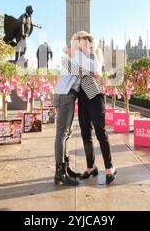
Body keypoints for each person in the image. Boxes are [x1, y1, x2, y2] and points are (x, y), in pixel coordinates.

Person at [52, 34, 101, 186]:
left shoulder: (73, 54)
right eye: (82, 41)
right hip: (65, 95)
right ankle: (60, 172)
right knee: (62, 134)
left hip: (67, 94)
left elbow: (83, 71)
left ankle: (65, 168)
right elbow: (95, 68)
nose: (85, 44)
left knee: (66, 134)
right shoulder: (75, 52)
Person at [74, 31, 117, 185]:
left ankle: (109, 167)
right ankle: (91, 167)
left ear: (89, 43)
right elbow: (73, 71)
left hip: (95, 97)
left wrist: (83, 67)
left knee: (100, 133)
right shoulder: (76, 58)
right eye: (79, 41)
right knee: (86, 134)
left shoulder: (92, 55)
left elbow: (94, 70)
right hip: (82, 98)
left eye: (84, 42)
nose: (82, 44)